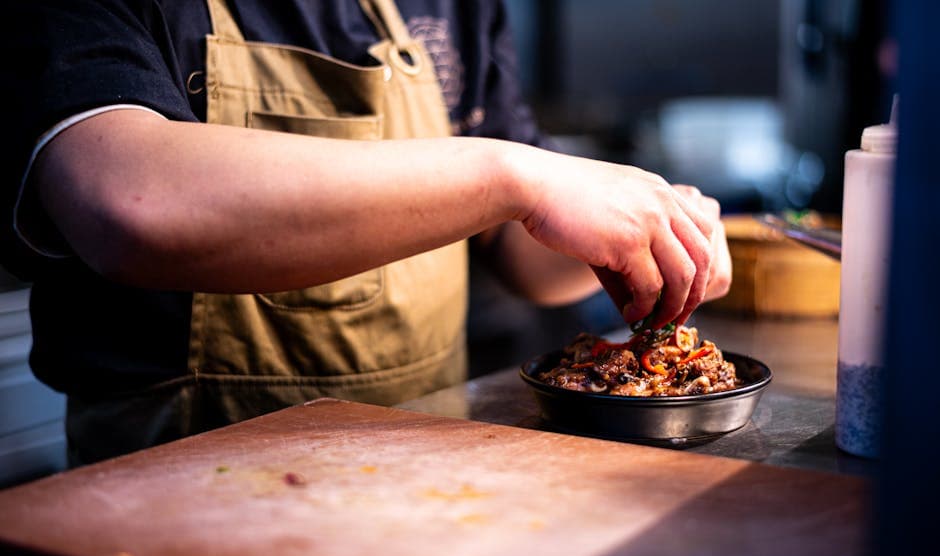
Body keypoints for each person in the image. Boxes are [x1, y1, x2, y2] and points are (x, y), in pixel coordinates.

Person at [1, 0, 731, 466]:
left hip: (426, 473)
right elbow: (130, 204)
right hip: (169, 498)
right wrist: (517, 175)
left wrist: (645, 222)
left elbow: (522, 254)